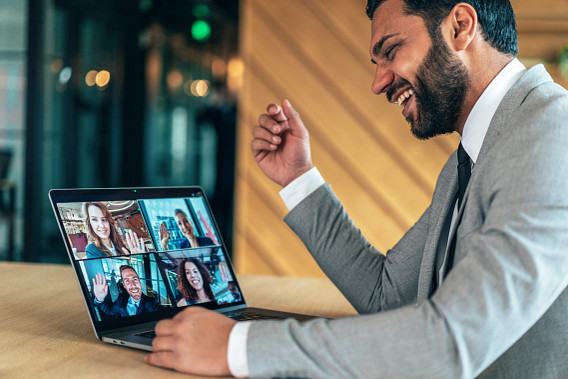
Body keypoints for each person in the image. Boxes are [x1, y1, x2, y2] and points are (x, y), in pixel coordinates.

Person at [145, 0, 568, 377]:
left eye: (391, 50)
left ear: (459, 26)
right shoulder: (473, 157)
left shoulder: (551, 134)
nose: (378, 83)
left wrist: (239, 349)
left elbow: (455, 341)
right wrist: (299, 178)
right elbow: (386, 295)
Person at [92, 265, 161, 317]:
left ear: (140, 281)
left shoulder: (153, 302)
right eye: (127, 281)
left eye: (135, 279)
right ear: (124, 285)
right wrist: (100, 299)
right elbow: (109, 311)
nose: (133, 285)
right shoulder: (121, 300)